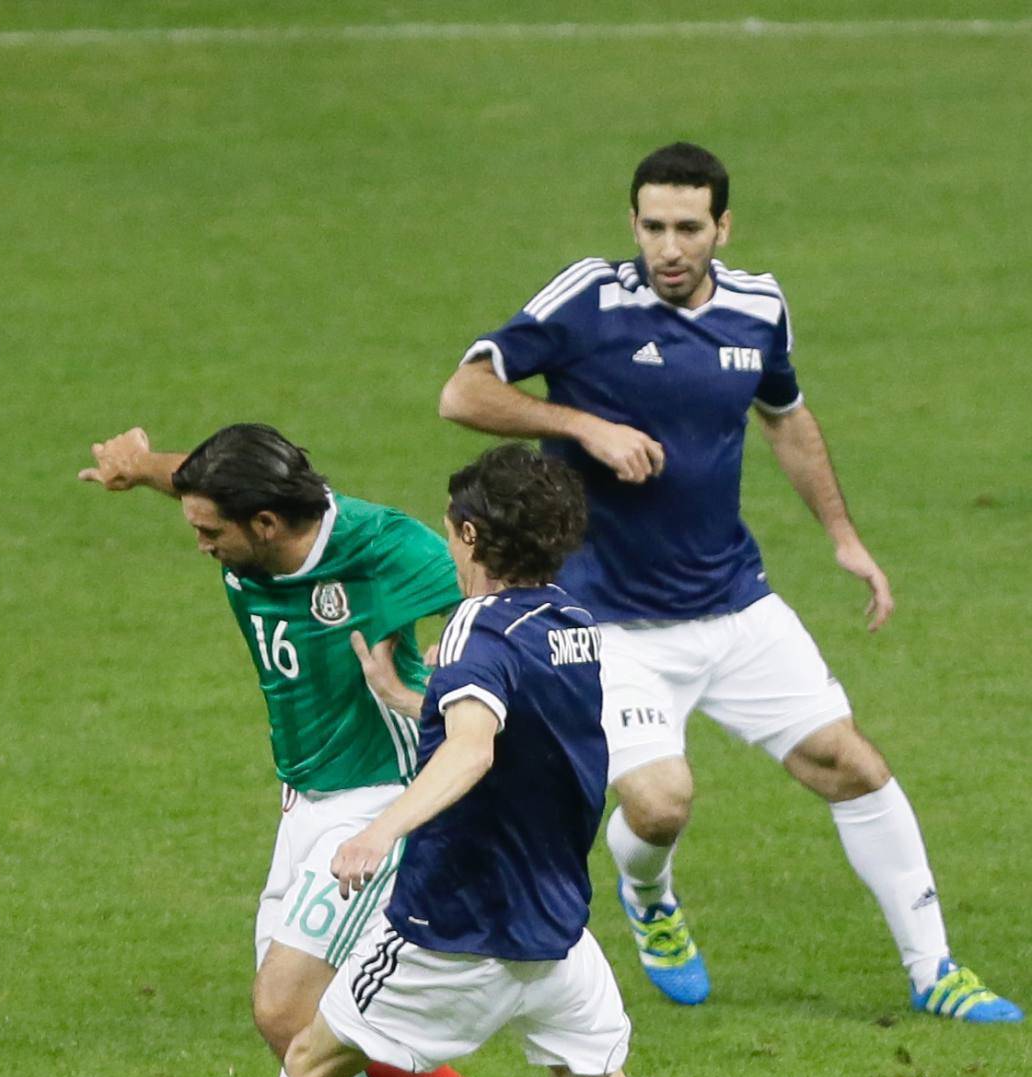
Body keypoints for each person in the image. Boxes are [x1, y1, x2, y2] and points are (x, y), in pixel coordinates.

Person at [98, 443, 852, 1077]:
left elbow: (472, 748)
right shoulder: (572, 624)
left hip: (453, 929)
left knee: (310, 1048)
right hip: (557, 930)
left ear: (469, 535)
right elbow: (506, 727)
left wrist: (382, 828)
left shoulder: (473, 631)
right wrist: (410, 698)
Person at [437, 142, 1021, 1025]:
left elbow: (785, 417)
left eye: (688, 228)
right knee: (660, 804)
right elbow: (463, 392)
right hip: (610, 623)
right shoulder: (589, 299)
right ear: (633, 223)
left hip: (735, 604)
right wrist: (584, 425)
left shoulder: (758, 307)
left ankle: (934, 968)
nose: (668, 248)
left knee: (853, 764)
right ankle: (650, 897)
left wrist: (844, 538)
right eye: (653, 227)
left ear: (723, 227)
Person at [79, 423, 568, 1077]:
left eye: (211, 533)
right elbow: (196, 481)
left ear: (265, 523)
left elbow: (506, 599)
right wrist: (140, 468)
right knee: (305, 1028)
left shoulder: (385, 549)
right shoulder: (248, 516)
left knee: (287, 1008)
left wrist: (460, 677)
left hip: (377, 802)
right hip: (301, 802)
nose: (202, 545)